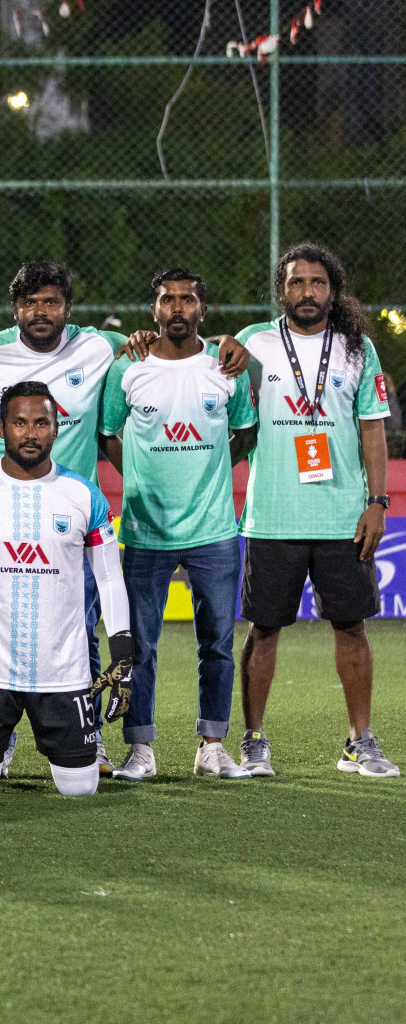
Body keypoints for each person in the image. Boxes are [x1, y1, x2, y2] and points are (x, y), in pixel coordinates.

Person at [0, 259, 128, 774]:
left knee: (82, 625)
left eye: (51, 302)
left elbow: (146, 350)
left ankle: (88, 729)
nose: (40, 312)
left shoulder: (97, 348)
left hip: (73, 519)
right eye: (30, 303)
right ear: (15, 309)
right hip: (1, 517)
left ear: (67, 309)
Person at [235, 242, 397, 779]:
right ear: (281, 290)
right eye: (297, 282)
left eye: (318, 282)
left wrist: (377, 503)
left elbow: (373, 429)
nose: (307, 292)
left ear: (333, 289)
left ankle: (360, 740)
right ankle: (254, 740)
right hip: (273, 514)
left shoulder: (357, 348)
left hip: (342, 517)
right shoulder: (252, 345)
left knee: (351, 628)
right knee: (264, 629)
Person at [0, 382, 133, 797]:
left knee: (80, 791)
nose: (30, 432)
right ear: (2, 426)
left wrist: (124, 655)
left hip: (64, 672)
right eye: (20, 422)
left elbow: (110, 577)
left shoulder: (84, 495)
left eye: (41, 422)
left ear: (57, 429)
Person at [99, 268, 257, 781]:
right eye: (168, 300)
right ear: (154, 311)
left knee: (216, 644)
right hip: (146, 532)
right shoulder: (130, 370)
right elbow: (108, 436)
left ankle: (212, 745)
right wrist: (142, 476)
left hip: (214, 531)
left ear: (202, 311)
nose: (178, 309)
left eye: (188, 300)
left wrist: (208, 474)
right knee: (139, 647)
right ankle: (140, 749)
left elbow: (246, 432)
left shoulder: (224, 370)